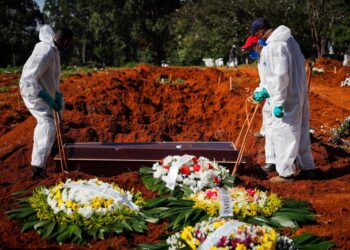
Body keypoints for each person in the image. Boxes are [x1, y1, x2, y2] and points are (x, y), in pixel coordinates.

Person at [248, 18, 316, 182]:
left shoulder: (275, 46)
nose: (258, 40)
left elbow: (280, 77)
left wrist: (277, 102)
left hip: (286, 98)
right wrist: (264, 90)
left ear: (260, 32)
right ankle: (308, 168)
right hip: (299, 95)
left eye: (257, 35)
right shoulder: (290, 41)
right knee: (301, 131)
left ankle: (285, 173)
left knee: (284, 133)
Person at [19, 25, 73, 180]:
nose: (68, 47)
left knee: (57, 115)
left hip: (44, 91)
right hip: (32, 92)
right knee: (47, 123)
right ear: (62, 40)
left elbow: (52, 77)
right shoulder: (45, 51)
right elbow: (28, 79)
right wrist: (46, 97)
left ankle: (52, 146)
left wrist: (56, 94)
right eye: (68, 43)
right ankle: (38, 167)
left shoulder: (54, 51)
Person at [241, 35, 276, 172]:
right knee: (268, 125)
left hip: (276, 96)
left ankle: (274, 161)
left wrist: (266, 91)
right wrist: (258, 92)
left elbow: (276, 79)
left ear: (258, 44)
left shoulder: (270, 57)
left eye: (251, 48)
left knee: (273, 129)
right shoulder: (261, 58)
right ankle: (271, 160)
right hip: (268, 96)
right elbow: (264, 81)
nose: (250, 52)